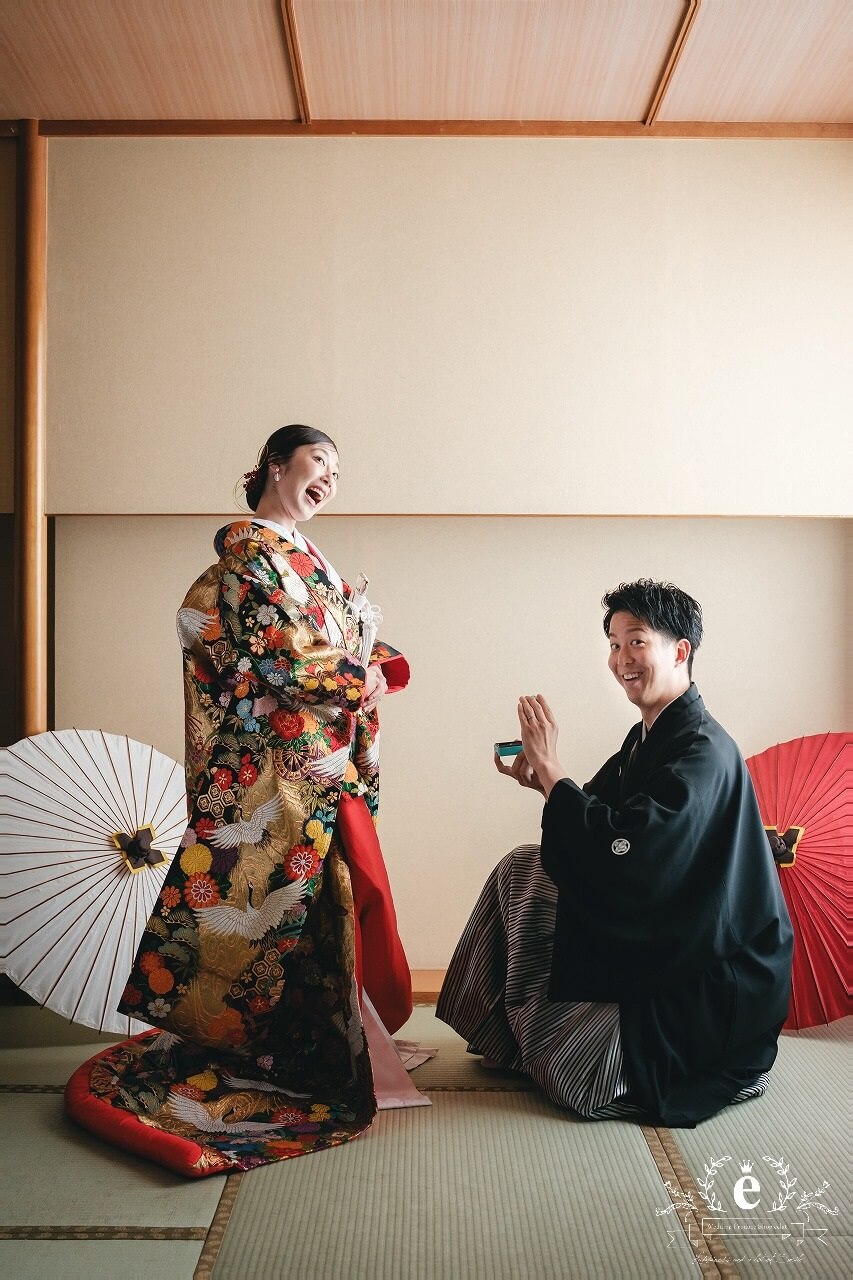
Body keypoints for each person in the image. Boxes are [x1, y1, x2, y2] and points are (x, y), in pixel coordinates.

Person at [69, 425, 413, 1175]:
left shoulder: (298, 554)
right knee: (285, 910)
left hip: (313, 760)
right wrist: (359, 676)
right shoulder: (254, 552)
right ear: (274, 466)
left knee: (325, 907)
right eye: (318, 461)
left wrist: (373, 661)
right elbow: (280, 655)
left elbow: (327, 641)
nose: (330, 477)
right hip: (282, 767)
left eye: (338, 470)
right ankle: (301, 1053)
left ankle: (320, 1047)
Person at [437, 579, 793, 1127]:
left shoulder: (701, 750)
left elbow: (632, 856)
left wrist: (556, 773)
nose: (621, 658)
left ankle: (570, 1048)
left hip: (707, 975)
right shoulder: (647, 737)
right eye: (613, 642)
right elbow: (597, 818)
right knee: (521, 869)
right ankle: (506, 1035)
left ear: (680, 651)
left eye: (636, 641)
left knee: (578, 1077)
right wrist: (543, 782)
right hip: (670, 928)